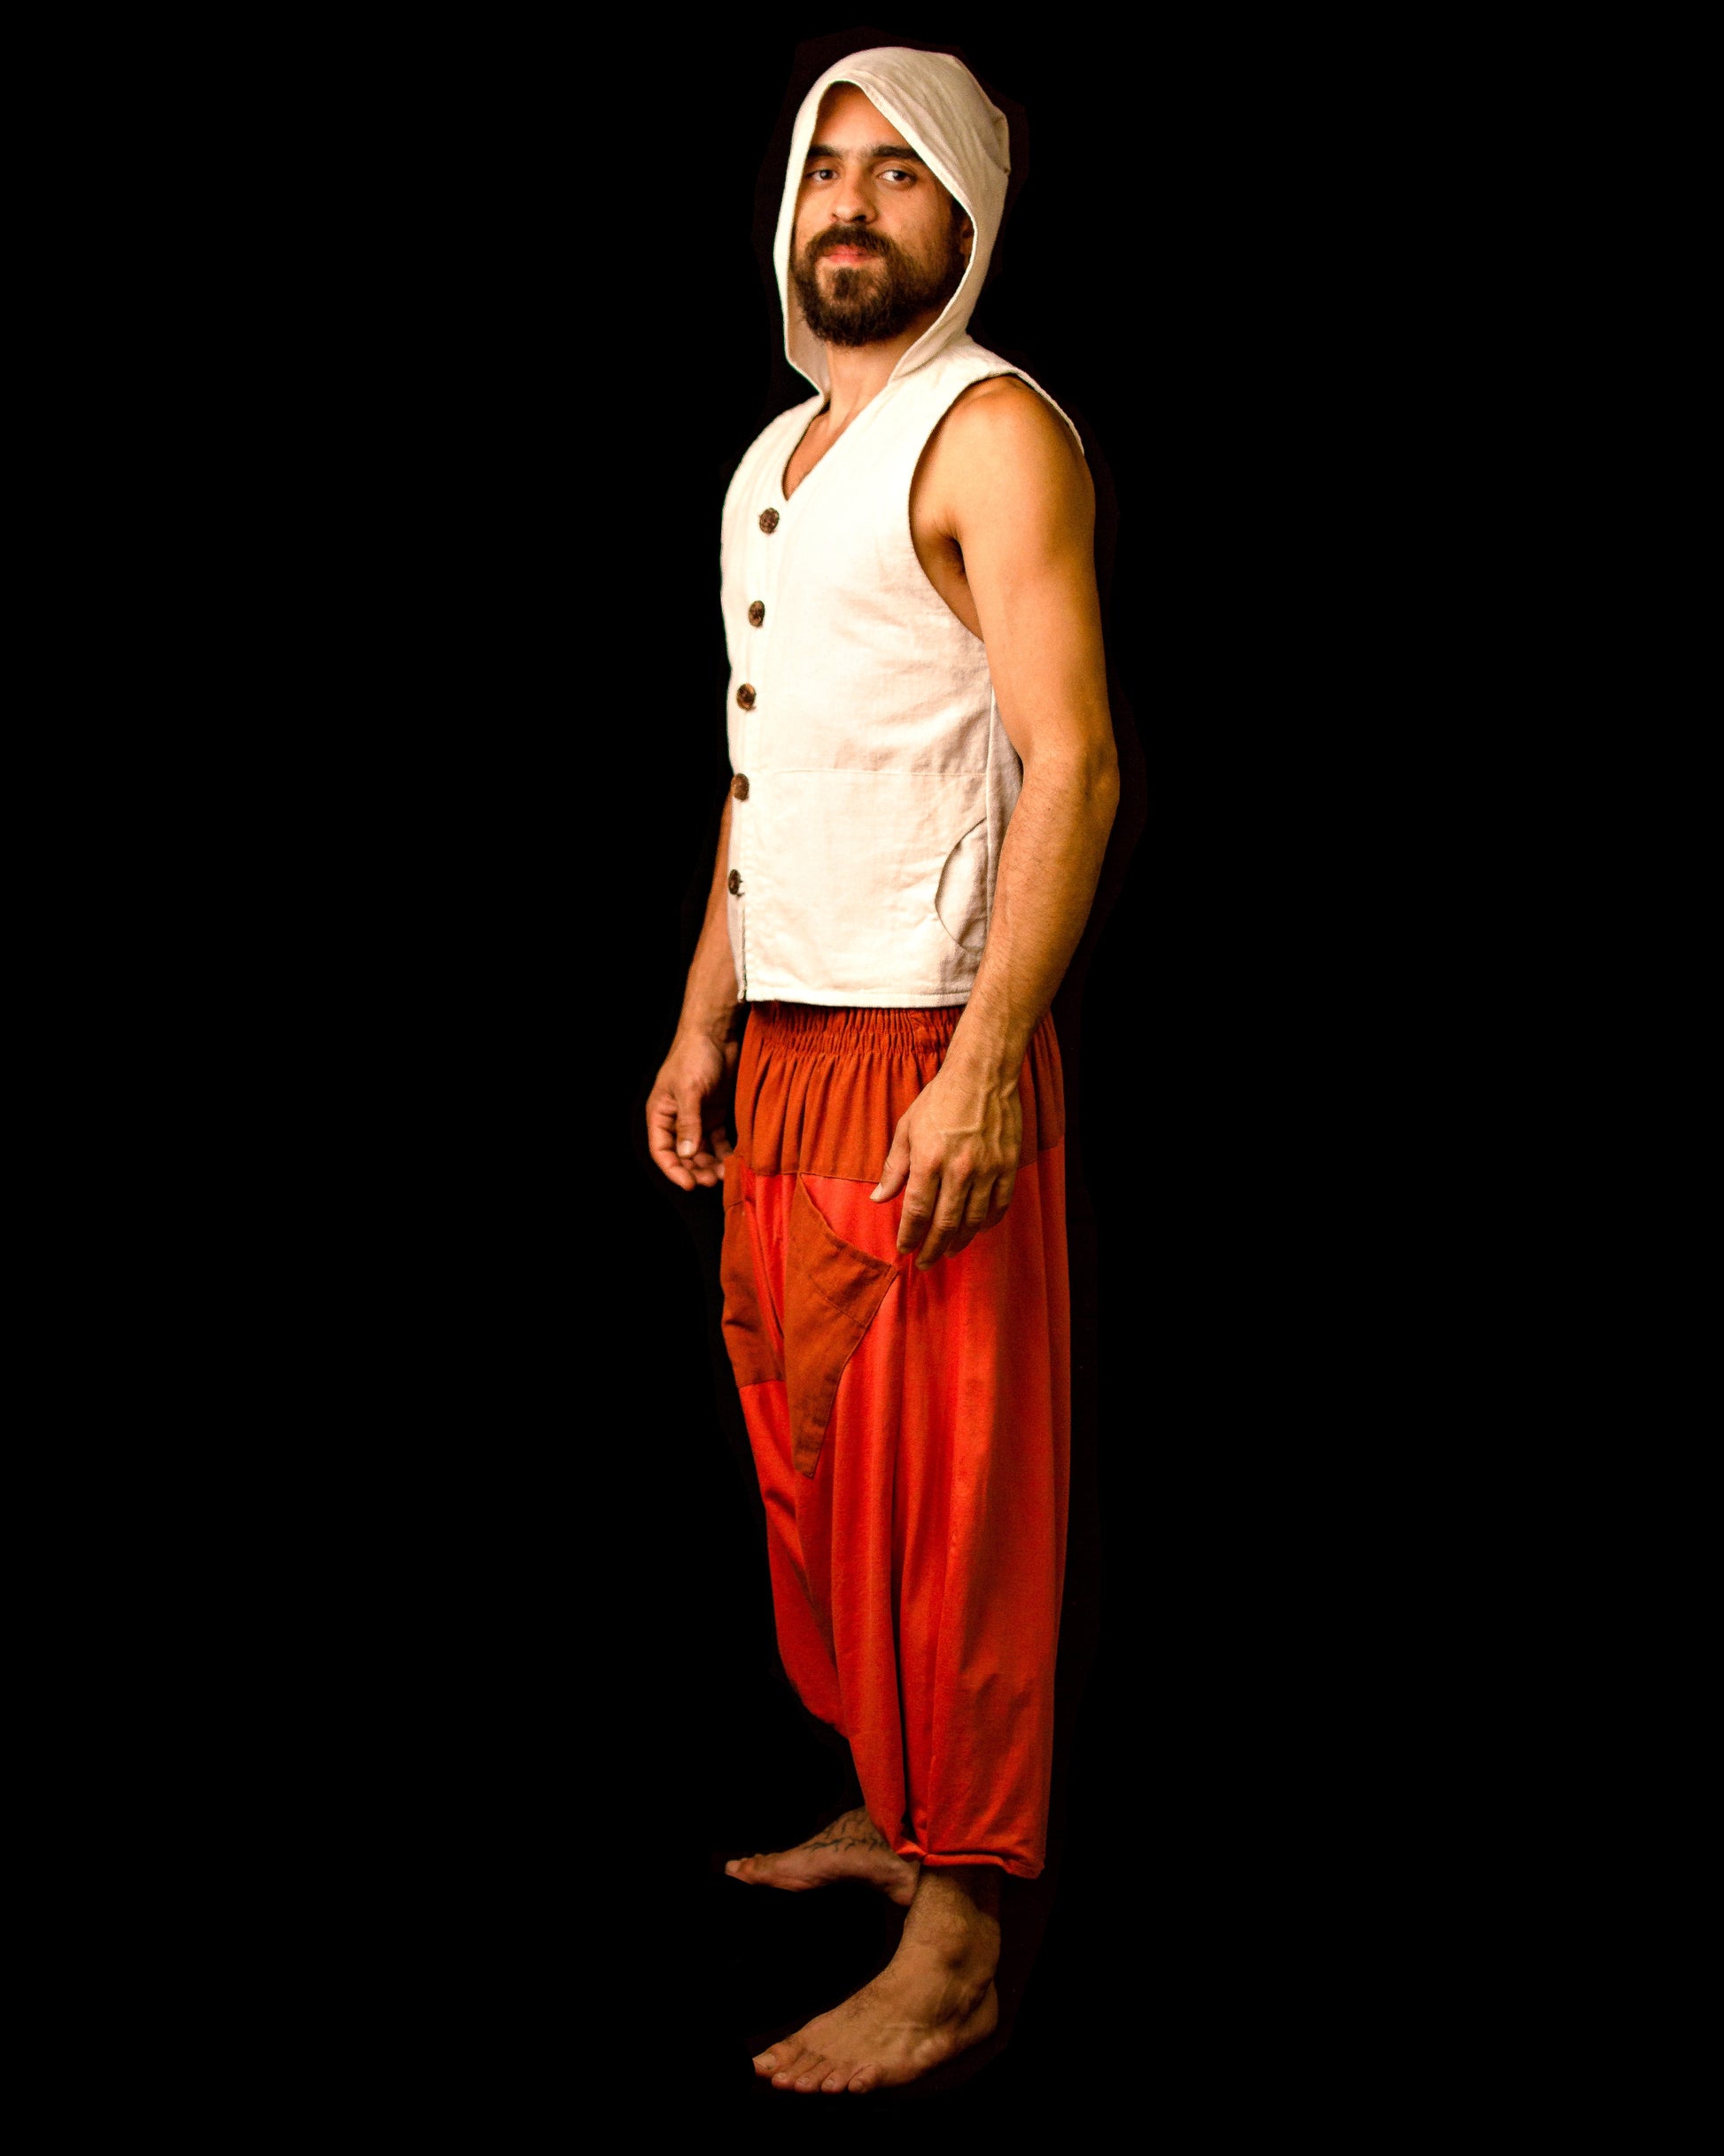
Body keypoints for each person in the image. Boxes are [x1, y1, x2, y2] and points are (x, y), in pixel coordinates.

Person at [646, 45, 1119, 2096]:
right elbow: (764, 773)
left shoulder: (990, 431)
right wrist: (703, 1014)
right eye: (825, 164)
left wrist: (989, 1061)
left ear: (968, 212)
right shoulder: (773, 459)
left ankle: (962, 1936)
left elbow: (1073, 761)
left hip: (933, 1031)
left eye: (899, 171)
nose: (850, 200)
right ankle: (898, 1804)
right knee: (814, 1465)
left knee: (951, 1503)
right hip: (792, 1041)